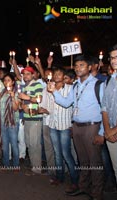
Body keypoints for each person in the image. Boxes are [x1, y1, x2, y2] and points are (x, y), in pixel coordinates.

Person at [47, 55, 104, 200]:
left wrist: (102, 132)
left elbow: (105, 109)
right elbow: (66, 103)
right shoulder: (76, 86)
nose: (78, 68)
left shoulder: (98, 84)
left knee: (95, 162)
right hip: (77, 126)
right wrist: (54, 92)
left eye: (82, 65)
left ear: (90, 67)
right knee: (83, 160)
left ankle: (97, 193)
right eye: (76, 66)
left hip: (92, 126)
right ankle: (83, 187)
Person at [40, 67, 79, 188]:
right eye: (55, 73)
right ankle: (59, 177)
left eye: (59, 73)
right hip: (52, 124)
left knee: (66, 154)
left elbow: (67, 103)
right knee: (57, 153)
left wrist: (54, 92)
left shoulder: (70, 88)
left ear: (64, 76)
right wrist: (44, 109)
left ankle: (75, 180)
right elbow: (50, 107)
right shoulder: (49, 88)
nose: (56, 75)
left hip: (64, 126)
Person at [18, 66, 43, 175]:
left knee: (35, 144)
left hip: (35, 118)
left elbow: (39, 99)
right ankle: (34, 166)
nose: (25, 76)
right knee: (29, 143)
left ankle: (37, 168)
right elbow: (24, 103)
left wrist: (26, 97)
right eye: (24, 74)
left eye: (28, 74)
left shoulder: (37, 84)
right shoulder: (25, 87)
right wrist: (22, 106)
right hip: (27, 118)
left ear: (33, 75)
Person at [102, 44, 117, 187]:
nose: (113, 60)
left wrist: (113, 130)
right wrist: (107, 130)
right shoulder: (111, 80)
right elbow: (105, 107)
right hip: (111, 134)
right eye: (112, 57)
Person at [0, 73, 20, 171]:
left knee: (14, 144)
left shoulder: (16, 93)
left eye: (9, 80)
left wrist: (12, 97)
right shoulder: (2, 93)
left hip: (13, 123)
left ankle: (16, 165)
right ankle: (6, 164)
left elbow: (15, 109)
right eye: (5, 80)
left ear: (13, 82)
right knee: (5, 145)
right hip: (3, 122)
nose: (7, 82)